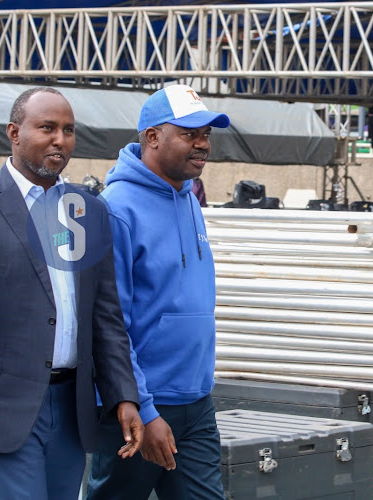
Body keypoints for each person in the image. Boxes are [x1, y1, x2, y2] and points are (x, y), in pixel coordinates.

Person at [0, 87, 144, 500]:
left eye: (68, 130)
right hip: (1, 400)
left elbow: (106, 316)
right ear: (14, 132)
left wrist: (124, 396)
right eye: (46, 128)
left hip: (70, 404)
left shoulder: (87, 211)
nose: (60, 139)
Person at [87, 84, 229, 499]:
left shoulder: (189, 200)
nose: (202, 144)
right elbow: (110, 324)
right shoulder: (117, 209)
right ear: (152, 137)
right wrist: (145, 411)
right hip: (137, 408)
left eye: (206, 134)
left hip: (197, 400)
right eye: (189, 134)